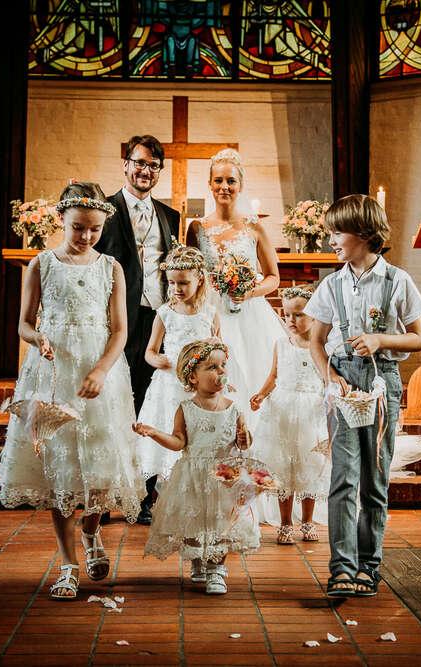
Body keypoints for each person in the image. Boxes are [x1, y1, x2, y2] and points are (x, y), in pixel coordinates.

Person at [0, 182, 144, 601]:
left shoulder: (110, 268)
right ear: (61, 219)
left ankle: (91, 531)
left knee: (101, 465)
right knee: (59, 468)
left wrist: (101, 370)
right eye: (78, 227)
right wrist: (37, 337)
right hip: (54, 372)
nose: (86, 236)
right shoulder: (41, 264)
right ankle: (67, 564)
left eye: (95, 229)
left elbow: (120, 331)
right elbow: (24, 323)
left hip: (98, 374)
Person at [305, 194, 421, 597]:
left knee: (374, 479)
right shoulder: (332, 284)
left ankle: (368, 566)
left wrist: (380, 339)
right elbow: (315, 342)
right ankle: (341, 567)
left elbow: (418, 339)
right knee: (343, 477)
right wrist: (331, 377)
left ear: (363, 232)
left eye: (337, 232)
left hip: (382, 381)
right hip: (342, 381)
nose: (331, 241)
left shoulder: (397, 281)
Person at [95, 135, 181, 525]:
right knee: (112, 405)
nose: (146, 171)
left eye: (154, 166)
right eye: (140, 163)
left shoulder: (170, 217)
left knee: (151, 404)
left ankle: (144, 497)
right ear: (126, 164)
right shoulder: (105, 210)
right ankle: (105, 495)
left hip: (156, 322)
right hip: (116, 323)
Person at [134, 339, 258, 595]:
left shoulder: (234, 408)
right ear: (193, 377)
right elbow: (179, 442)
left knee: (221, 523)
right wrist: (155, 433)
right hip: (192, 476)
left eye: (223, 365)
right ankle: (198, 560)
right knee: (193, 521)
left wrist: (245, 437)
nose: (221, 371)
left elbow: (243, 441)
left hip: (223, 478)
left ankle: (216, 570)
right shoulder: (186, 409)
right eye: (212, 367)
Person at [186, 149, 286, 423]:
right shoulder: (197, 228)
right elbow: (192, 278)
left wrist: (249, 292)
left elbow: (273, 278)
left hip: (250, 315)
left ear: (240, 185)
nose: (224, 187)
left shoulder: (254, 226)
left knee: (254, 371)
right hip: (211, 314)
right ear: (209, 184)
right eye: (218, 180)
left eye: (231, 181)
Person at [249, 285, 330, 544]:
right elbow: (274, 376)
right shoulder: (282, 344)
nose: (291, 320)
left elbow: (326, 378)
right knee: (283, 468)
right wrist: (261, 394)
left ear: (314, 316)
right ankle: (285, 524)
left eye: (298, 315)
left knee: (309, 466)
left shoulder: (321, 346)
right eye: (287, 315)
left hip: (310, 413)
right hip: (282, 412)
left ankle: (307, 521)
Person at [136, 244, 220, 483]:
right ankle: (164, 487)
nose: (176, 289)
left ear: (199, 280)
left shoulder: (209, 313)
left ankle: (196, 481)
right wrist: (156, 359)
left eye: (183, 283)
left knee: (197, 433)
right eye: (171, 283)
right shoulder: (165, 312)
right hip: (169, 382)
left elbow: (219, 351)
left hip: (199, 384)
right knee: (169, 428)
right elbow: (150, 350)